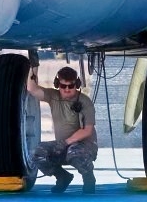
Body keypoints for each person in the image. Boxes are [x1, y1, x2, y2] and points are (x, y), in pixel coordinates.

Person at [27, 64, 98, 194]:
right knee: (37, 153)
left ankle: (88, 178)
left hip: (84, 145)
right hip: (64, 145)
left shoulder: (85, 102)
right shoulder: (53, 96)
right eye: (63, 86)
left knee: (74, 152)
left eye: (71, 86)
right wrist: (34, 66)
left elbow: (87, 130)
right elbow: (32, 89)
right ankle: (62, 177)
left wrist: (65, 143)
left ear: (77, 85)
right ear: (57, 84)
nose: (67, 89)